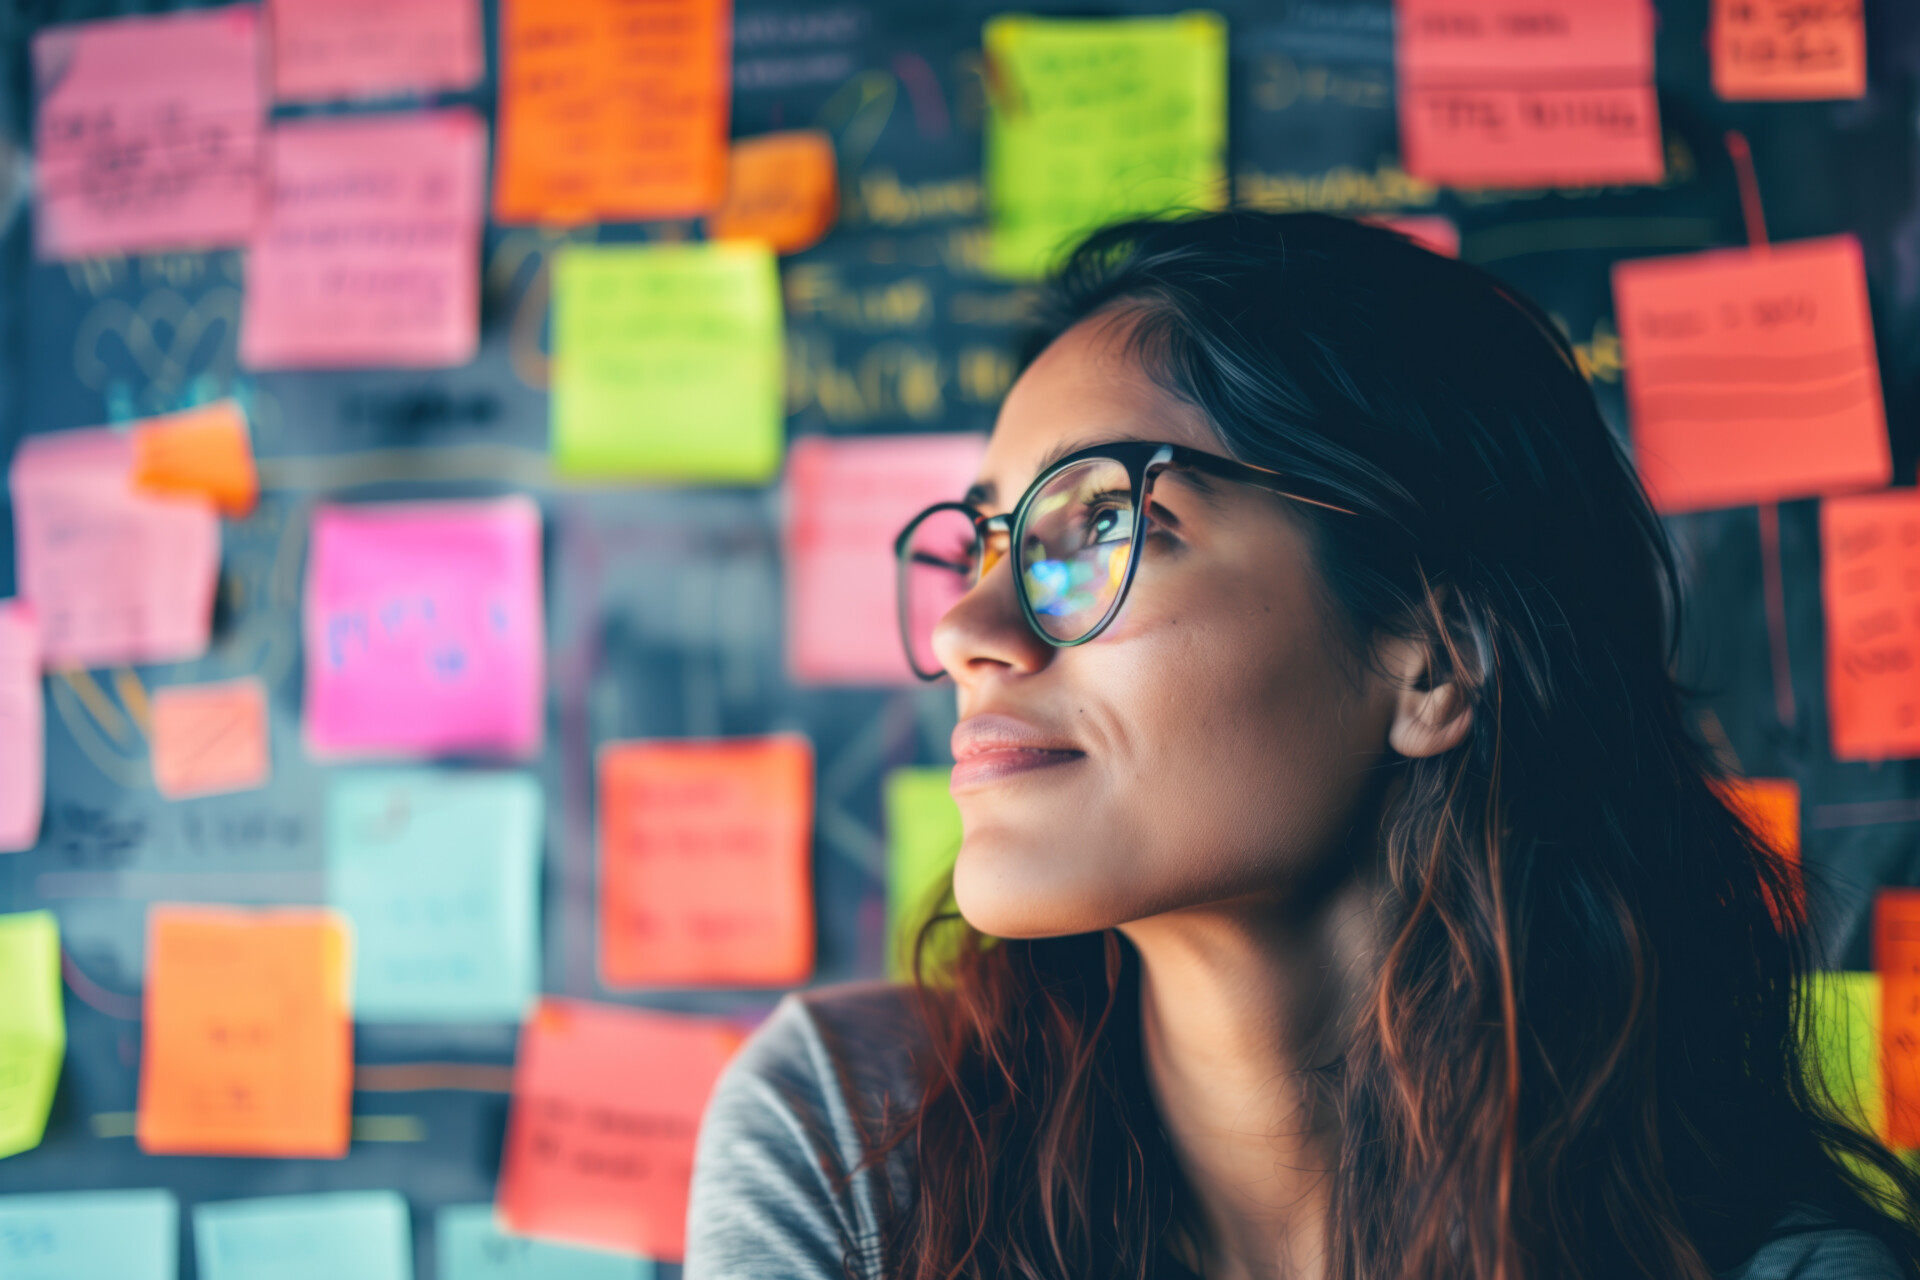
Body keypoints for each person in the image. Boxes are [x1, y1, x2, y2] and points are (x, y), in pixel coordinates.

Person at [683, 212, 1920, 1280]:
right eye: (990, 544)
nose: (966, 628)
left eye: (1105, 523)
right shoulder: (855, 1142)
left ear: (1432, 659)